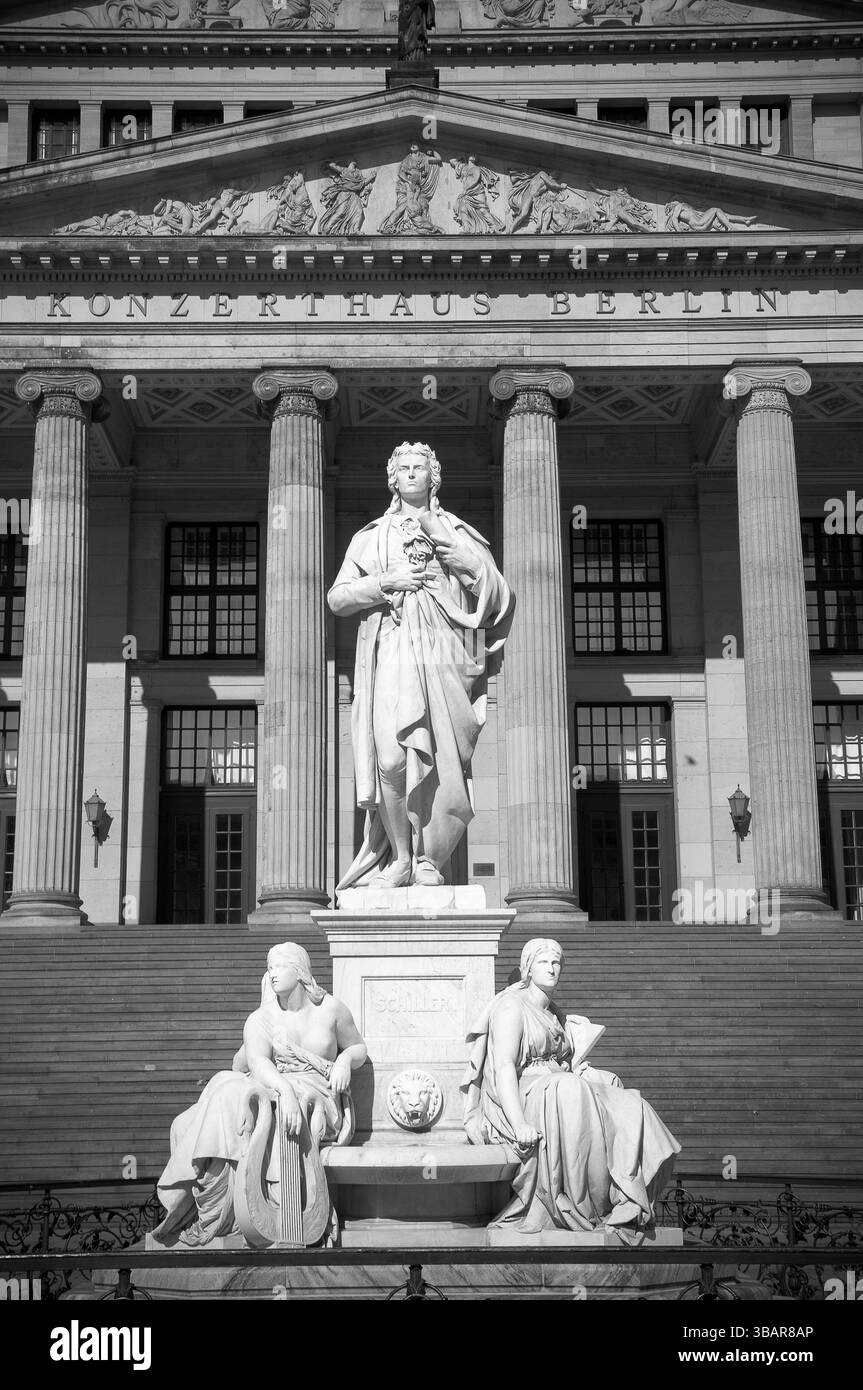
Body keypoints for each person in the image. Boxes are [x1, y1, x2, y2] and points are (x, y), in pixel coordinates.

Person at [328, 442, 514, 889]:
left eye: (420, 468)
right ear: (393, 479)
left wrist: (453, 551)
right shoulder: (370, 537)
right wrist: (384, 582)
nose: (412, 474)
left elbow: (496, 591)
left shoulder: (455, 529)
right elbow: (337, 598)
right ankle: (401, 857)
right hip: (390, 649)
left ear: (434, 477)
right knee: (391, 760)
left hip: (444, 653)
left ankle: (431, 858)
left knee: (444, 759)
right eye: (404, 468)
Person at [462, 938, 681, 1241]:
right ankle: (585, 1206)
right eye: (543, 962)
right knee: (570, 1090)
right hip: (525, 1094)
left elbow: (564, 1063)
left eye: (556, 963)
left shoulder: (554, 1011)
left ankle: (625, 1199)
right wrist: (519, 1123)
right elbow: (503, 1068)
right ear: (527, 967)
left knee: (625, 1097)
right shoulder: (511, 1006)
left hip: (559, 1083)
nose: (552, 969)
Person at [150, 943, 366, 1247]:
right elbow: (259, 1063)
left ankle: (282, 1214)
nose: (272, 974)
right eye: (269, 968)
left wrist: (345, 1060)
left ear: (300, 970)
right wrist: (284, 1089)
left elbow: (357, 1046)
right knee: (224, 1090)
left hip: (319, 1094)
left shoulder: (331, 1009)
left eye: (279, 966)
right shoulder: (261, 1018)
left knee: (250, 1099)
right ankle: (218, 1209)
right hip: (278, 1085)